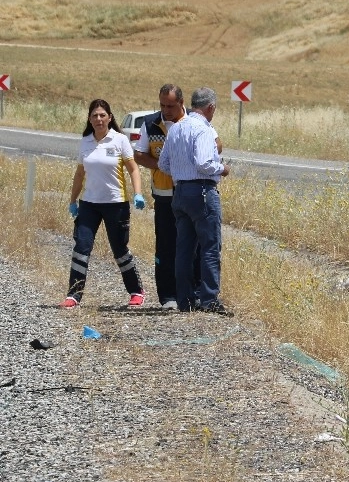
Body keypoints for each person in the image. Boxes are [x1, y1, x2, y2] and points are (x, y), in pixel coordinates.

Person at [61, 99, 147, 309]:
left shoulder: (119, 140)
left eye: (102, 115)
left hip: (115, 204)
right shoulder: (85, 142)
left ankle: (136, 291)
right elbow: (80, 174)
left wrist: (138, 194)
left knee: (119, 249)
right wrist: (73, 201)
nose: (98, 119)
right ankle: (74, 295)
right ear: (89, 119)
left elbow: (133, 169)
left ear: (109, 117)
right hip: (89, 204)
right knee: (81, 247)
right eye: (94, 116)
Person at [157, 86, 231, 315]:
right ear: (210, 107)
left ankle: (184, 300)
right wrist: (223, 168)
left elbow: (163, 164)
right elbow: (204, 163)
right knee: (209, 247)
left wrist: (181, 171)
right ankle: (209, 299)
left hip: (179, 192)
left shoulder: (176, 129)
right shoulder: (204, 129)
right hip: (202, 191)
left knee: (184, 249)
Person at [133, 84, 192, 312]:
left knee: (189, 246)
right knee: (165, 246)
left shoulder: (193, 123)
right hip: (164, 195)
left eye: (171, 105)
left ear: (181, 102)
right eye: (162, 105)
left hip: (188, 193)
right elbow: (139, 154)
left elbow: (216, 144)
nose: (166, 110)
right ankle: (167, 295)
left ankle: (189, 294)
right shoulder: (150, 123)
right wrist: (162, 166)